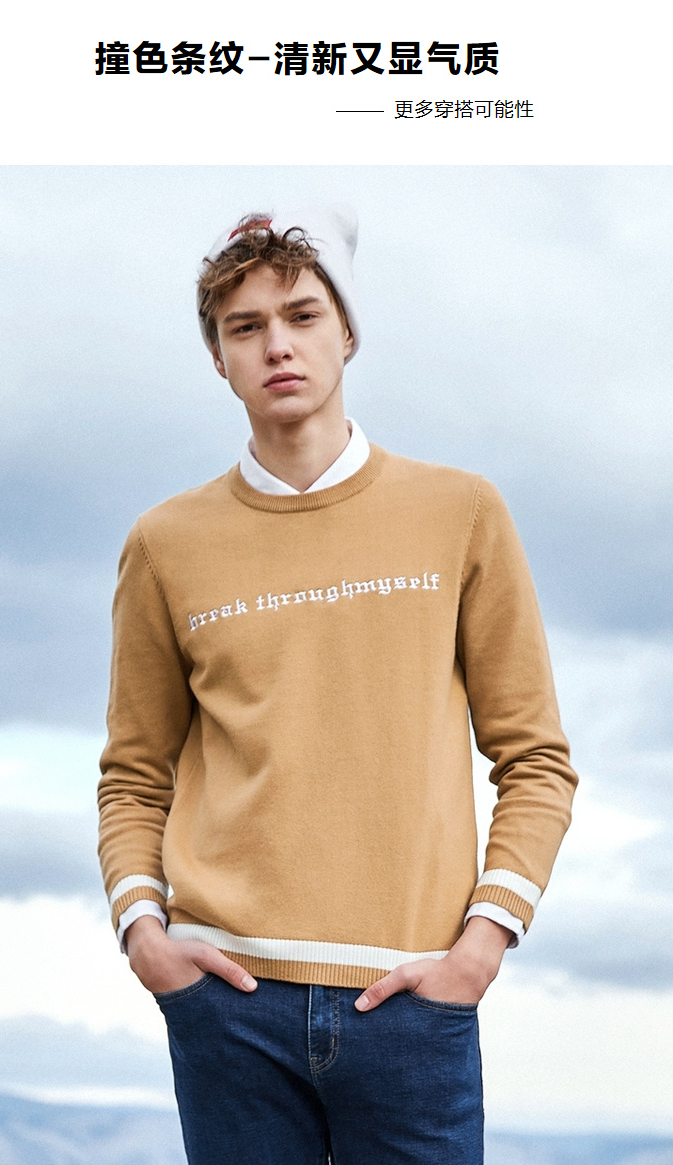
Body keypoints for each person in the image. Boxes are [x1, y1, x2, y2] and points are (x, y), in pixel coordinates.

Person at [97, 205, 577, 1165]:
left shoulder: (461, 512)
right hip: (228, 1005)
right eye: (245, 326)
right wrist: (145, 933)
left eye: (303, 315)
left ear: (347, 331)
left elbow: (535, 759)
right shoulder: (164, 544)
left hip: (413, 1002)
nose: (277, 345)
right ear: (219, 358)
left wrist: (482, 944)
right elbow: (134, 775)